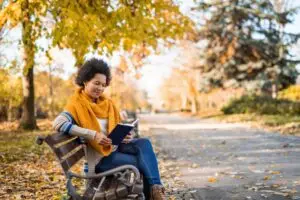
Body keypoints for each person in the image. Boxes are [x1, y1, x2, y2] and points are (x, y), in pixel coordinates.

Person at [53, 58, 165, 200]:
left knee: (144, 143)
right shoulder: (76, 105)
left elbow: (112, 131)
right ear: (85, 81)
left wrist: (124, 136)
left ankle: (156, 189)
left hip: (114, 149)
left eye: (103, 85)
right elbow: (58, 123)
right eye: (96, 83)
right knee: (143, 162)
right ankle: (155, 195)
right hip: (101, 161)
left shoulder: (106, 104)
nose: (100, 88)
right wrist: (93, 135)